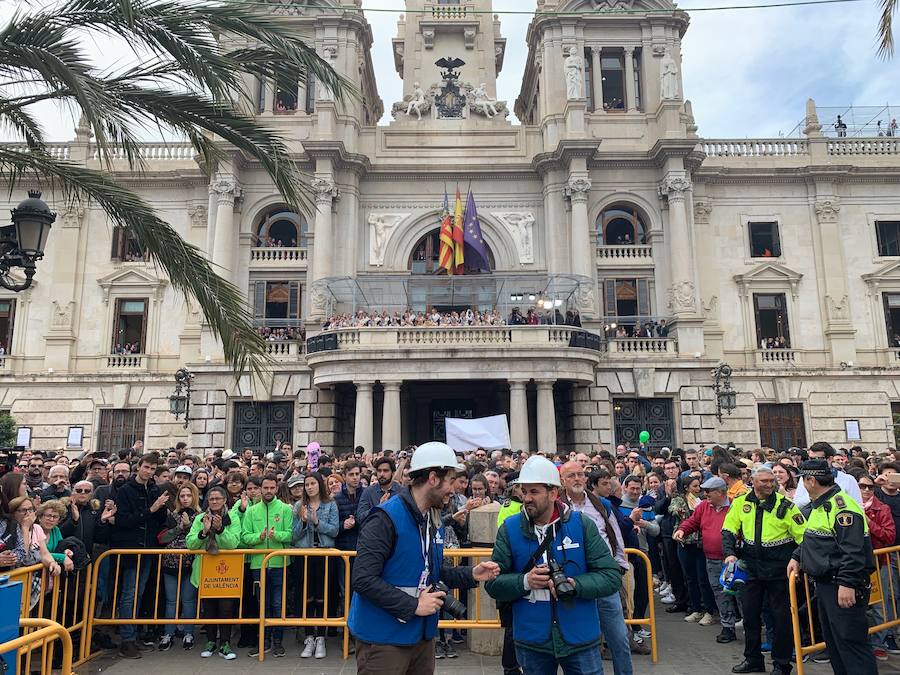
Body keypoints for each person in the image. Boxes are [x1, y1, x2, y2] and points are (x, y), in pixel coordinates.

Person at [348, 442, 499, 674]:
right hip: (384, 639)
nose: (455, 489)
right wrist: (413, 605)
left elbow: (431, 570)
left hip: (421, 637)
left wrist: (472, 574)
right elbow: (362, 578)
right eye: (450, 480)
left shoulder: (432, 518)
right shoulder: (384, 518)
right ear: (432, 478)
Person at [485, 455, 621, 674]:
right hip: (532, 640)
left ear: (553, 493)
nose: (527, 498)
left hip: (580, 639)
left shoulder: (581, 524)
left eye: (534, 492)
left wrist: (576, 585)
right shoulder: (509, 529)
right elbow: (493, 584)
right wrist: (525, 581)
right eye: (524, 491)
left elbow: (611, 576)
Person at [788, 460, 877, 675]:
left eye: (803, 479)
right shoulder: (819, 505)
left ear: (810, 480)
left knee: (851, 644)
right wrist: (796, 557)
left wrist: (846, 583)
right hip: (826, 585)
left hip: (841, 585)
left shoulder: (842, 508)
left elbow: (853, 551)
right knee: (836, 644)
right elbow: (814, 538)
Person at [723, 465, 806, 674]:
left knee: (781, 619)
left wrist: (796, 560)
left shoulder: (786, 506)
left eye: (772, 481)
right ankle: (753, 659)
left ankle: (782, 664)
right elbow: (728, 529)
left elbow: (804, 538)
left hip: (779, 569)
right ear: (753, 482)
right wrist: (729, 553)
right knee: (750, 616)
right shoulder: (741, 503)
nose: (769, 484)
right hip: (751, 568)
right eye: (764, 481)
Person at [559, 461, 633, 675]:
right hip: (574, 582)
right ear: (563, 480)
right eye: (571, 475)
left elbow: (615, 535)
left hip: (603, 580)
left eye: (580, 474)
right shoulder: (558, 507)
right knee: (580, 642)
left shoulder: (602, 505)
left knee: (619, 639)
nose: (576, 479)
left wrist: (619, 566)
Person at [111, 452, 169, 659]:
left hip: (148, 549)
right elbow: (123, 520)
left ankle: (134, 636)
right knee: (129, 594)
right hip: (131, 549)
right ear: (139, 467)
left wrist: (161, 508)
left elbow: (159, 519)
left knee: (139, 593)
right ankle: (127, 640)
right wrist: (151, 509)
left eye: (153, 469)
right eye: (146, 467)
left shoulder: (154, 489)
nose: (149, 472)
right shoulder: (125, 490)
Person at [674, 476, 738, 643]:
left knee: (739, 594)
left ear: (720, 492)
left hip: (733, 559)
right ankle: (727, 627)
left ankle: (749, 626)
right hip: (712, 558)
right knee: (719, 593)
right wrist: (682, 530)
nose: (705, 496)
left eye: (709, 493)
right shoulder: (704, 506)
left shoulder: (735, 506)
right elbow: (692, 522)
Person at [186, 485, 242, 660]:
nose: (215, 501)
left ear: (225, 500)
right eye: (212, 499)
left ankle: (225, 643)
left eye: (218, 498)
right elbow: (190, 544)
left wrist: (220, 530)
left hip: (227, 571)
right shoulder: (200, 518)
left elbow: (233, 543)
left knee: (226, 608)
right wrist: (203, 532)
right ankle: (210, 641)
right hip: (205, 570)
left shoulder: (232, 517)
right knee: (208, 608)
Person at [241, 474, 293, 657]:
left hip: (280, 563)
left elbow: (290, 534)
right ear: (260, 489)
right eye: (266, 488)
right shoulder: (252, 511)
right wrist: (259, 538)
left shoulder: (285, 509)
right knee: (262, 604)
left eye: (272, 488)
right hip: (258, 564)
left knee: (278, 603)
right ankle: (263, 640)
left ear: (277, 489)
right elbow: (245, 536)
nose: (269, 491)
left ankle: (278, 641)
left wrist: (276, 535)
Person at [292, 472, 339, 659]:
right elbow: (294, 535)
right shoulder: (298, 506)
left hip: (325, 554)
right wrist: (303, 522)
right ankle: (309, 636)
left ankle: (321, 636)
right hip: (305, 554)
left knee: (322, 596)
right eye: (307, 484)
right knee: (306, 596)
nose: (309, 487)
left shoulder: (330, 505)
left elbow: (334, 530)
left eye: (312, 483)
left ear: (320, 484)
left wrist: (317, 522)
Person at [158, 482, 199, 651]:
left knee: (188, 600)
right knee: (171, 600)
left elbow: (200, 538)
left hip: (190, 563)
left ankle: (188, 632)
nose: (185, 499)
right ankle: (168, 633)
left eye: (188, 495)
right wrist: (179, 528)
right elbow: (162, 538)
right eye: (182, 496)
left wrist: (189, 526)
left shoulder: (200, 516)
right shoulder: (171, 516)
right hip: (171, 563)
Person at [793, 442, 862, 508]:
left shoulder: (848, 480)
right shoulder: (806, 478)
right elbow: (797, 503)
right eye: (810, 459)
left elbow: (858, 506)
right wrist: (814, 496)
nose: (812, 462)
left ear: (830, 459)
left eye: (816, 459)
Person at [356, 457, 403, 523]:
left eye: (385, 471)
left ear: (393, 473)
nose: (381, 474)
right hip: (374, 531)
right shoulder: (368, 492)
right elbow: (360, 517)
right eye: (379, 471)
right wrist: (378, 508)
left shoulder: (402, 492)